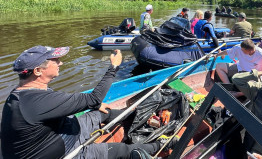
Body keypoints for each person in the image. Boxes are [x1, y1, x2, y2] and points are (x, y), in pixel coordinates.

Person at [0, 46, 178, 159]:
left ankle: (138, 116)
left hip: (64, 130)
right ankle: (162, 143)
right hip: (67, 151)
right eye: (55, 61)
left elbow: (90, 103)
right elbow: (94, 98)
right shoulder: (35, 103)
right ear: (38, 71)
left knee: (101, 111)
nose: (60, 63)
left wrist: (94, 105)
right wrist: (113, 67)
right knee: (121, 149)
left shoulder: (24, 94)